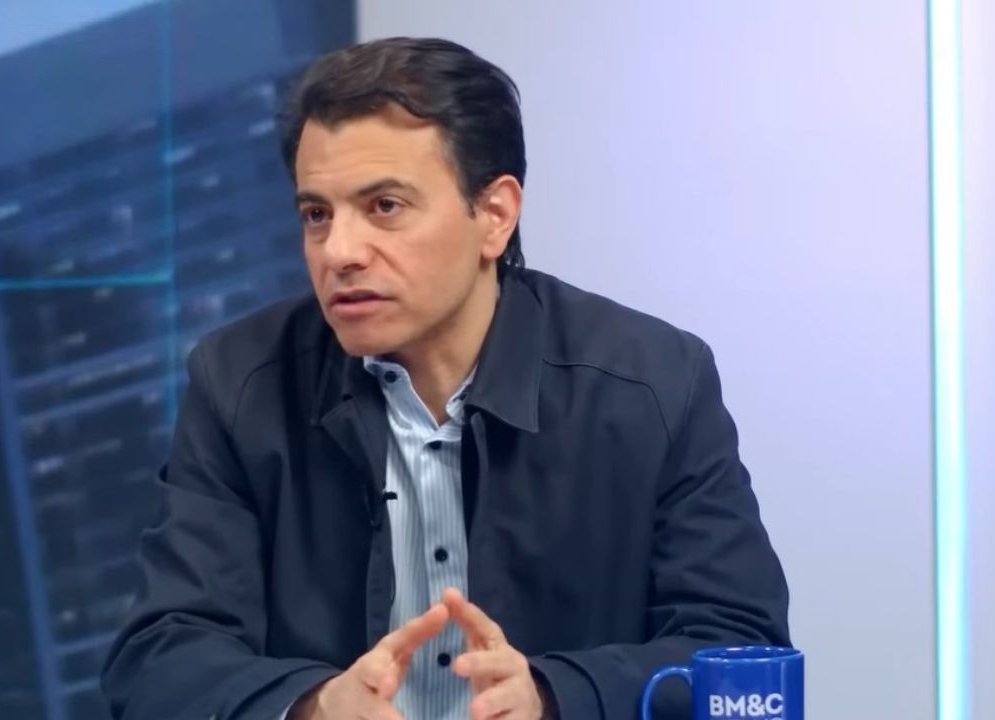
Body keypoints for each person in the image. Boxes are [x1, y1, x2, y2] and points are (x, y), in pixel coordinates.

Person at [101, 36, 789, 720]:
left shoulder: (654, 383)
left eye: (384, 206)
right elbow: (159, 660)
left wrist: (554, 698)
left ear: (494, 215)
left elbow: (742, 651)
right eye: (317, 214)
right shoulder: (238, 385)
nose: (339, 251)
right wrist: (311, 707)